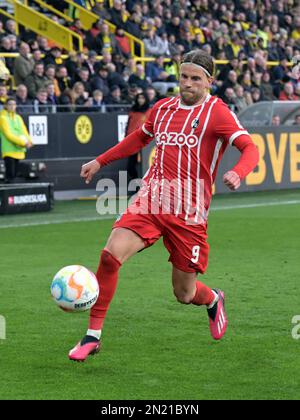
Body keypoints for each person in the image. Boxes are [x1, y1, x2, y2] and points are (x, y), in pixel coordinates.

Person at [69, 50, 259, 362]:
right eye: (183, 76)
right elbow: (137, 140)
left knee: (184, 294)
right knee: (109, 256)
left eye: (195, 78)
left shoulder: (218, 112)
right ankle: (92, 336)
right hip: (151, 199)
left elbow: (249, 147)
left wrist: (238, 172)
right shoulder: (162, 108)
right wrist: (100, 160)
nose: (187, 83)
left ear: (209, 81)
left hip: (189, 213)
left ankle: (212, 298)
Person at [0, 97, 33, 183]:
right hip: (9, 150)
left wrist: (29, 141)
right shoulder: (2, 118)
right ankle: (7, 194)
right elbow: (8, 134)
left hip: (18, 150)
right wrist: (23, 142)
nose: (12, 106)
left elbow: (24, 130)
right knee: (10, 174)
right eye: (10, 104)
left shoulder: (18, 117)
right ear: (6, 106)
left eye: (14, 104)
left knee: (15, 174)